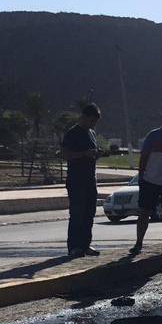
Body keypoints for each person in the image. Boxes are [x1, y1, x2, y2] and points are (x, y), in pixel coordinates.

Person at [131, 108, 162, 254]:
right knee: (144, 212)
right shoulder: (153, 136)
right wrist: (141, 176)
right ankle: (139, 243)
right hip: (150, 180)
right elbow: (144, 157)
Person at [61, 103, 103, 258]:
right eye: (92, 121)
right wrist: (84, 154)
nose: (93, 124)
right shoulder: (72, 133)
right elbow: (65, 154)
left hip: (90, 180)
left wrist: (96, 154)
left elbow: (91, 153)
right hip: (76, 180)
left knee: (89, 214)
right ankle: (74, 246)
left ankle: (85, 245)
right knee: (77, 214)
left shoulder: (91, 133)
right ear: (84, 117)